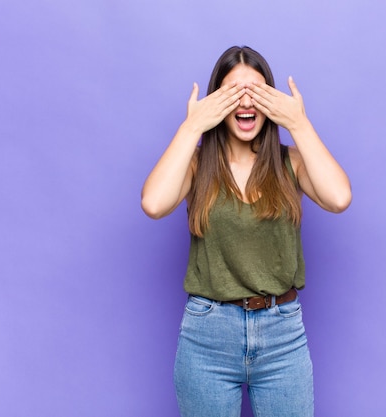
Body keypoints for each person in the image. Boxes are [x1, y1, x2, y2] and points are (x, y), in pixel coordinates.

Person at [141, 46, 351, 417]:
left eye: (256, 90)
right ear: (216, 102)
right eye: (233, 91)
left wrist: (299, 123)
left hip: (281, 336)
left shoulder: (291, 163)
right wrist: (192, 126)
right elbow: (154, 204)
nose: (245, 101)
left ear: (272, 100)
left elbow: (338, 198)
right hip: (208, 337)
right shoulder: (197, 165)